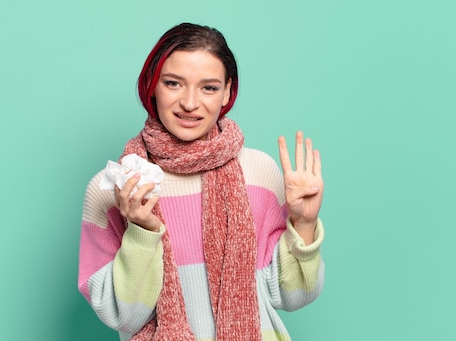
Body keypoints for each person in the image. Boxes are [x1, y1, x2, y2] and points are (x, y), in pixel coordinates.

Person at [78, 23, 325, 341]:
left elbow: (292, 296)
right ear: (153, 86)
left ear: (226, 91)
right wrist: (141, 232)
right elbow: (120, 316)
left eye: (208, 87)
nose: (190, 103)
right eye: (173, 83)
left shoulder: (259, 174)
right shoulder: (116, 188)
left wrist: (304, 224)